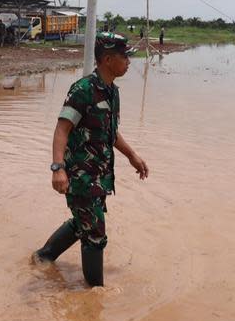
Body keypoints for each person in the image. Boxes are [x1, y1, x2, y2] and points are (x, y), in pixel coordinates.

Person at [32, 32, 149, 286]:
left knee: (82, 222)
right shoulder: (83, 90)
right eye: (124, 57)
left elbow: (111, 132)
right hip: (80, 176)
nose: (129, 62)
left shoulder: (111, 92)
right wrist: (57, 168)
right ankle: (94, 294)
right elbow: (62, 128)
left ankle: (43, 257)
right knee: (95, 232)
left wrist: (132, 156)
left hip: (100, 176)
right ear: (107, 59)